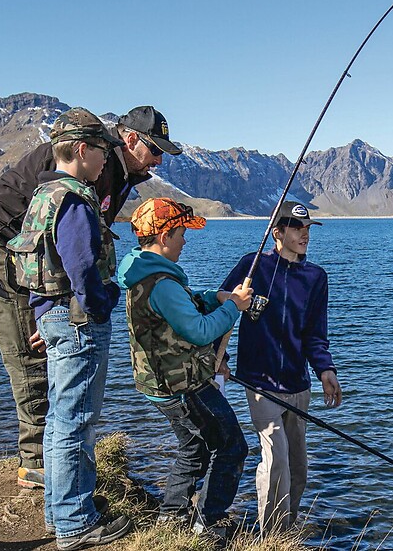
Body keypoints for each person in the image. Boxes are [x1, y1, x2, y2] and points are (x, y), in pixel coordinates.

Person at [0, 105, 181, 489]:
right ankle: (37, 464)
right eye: (155, 149)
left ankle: (55, 460)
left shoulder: (117, 169)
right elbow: (68, 249)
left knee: (47, 339)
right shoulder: (96, 161)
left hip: (29, 254)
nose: (159, 160)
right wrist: (49, 310)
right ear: (130, 140)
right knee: (30, 352)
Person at [5, 107, 131, 549]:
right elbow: (80, 266)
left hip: (52, 316)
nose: (105, 161)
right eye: (101, 151)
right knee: (77, 419)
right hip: (78, 321)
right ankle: (77, 523)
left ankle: (59, 514)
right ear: (82, 150)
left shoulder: (44, 195)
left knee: (60, 420)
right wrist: (103, 304)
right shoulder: (75, 199)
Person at [118, 198, 253, 538]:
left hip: (160, 387)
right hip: (186, 387)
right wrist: (234, 307)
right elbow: (199, 330)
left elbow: (185, 304)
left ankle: (171, 518)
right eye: (181, 234)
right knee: (233, 447)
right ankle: (208, 523)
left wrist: (215, 297)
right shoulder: (162, 283)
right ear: (164, 237)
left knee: (193, 449)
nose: (185, 241)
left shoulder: (144, 275)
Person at [221, 200, 342, 535]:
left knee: (298, 468)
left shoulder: (316, 277)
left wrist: (325, 371)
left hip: (298, 384)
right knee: (275, 461)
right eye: (296, 227)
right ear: (277, 233)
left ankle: (286, 528)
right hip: (259, 382)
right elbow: (221, 301)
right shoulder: (253, 265)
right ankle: (271, 535)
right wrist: (236, 300)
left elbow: (315, 334)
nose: (304, 233)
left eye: (307, 228)